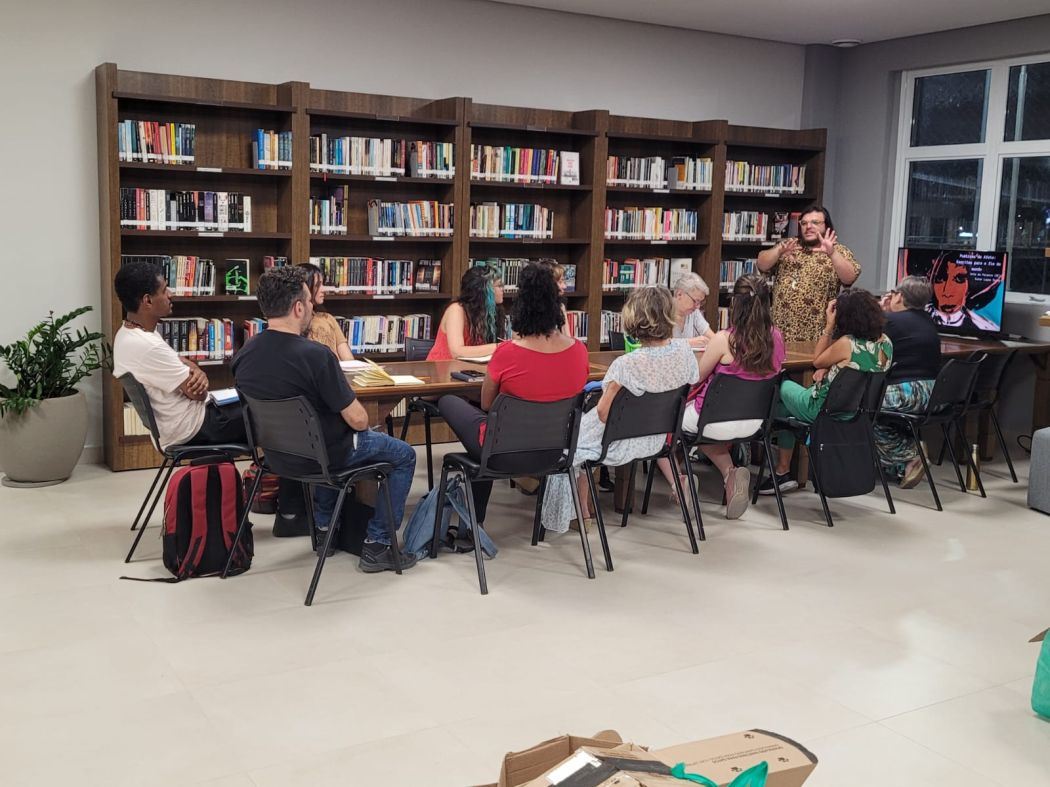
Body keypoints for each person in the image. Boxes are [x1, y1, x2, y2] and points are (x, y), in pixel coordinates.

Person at [231, 266, 418, 571]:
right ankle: (378, 544)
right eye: (309, 301)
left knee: (325, 440)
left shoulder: (244, 354)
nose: (313, 307)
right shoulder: (316, 355)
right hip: (327, 457)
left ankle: (324, 532)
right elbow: (358, 420)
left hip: (277, 457)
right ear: (298, 307)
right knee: (403, 455)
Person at [112, 260, 309, 536]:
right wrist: (196, 375)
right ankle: (291, 514)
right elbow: (198, 391)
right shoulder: (147, 347)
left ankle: (280, 500)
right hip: (196, 427)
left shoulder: (132, 334)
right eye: (165, 290)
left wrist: (194, 369)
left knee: (268, 411)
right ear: (147, 300)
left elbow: (182, 364)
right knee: (289, 420)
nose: (171, 295)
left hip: (185, 422)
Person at [437, 263, 589, 531]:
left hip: (502, 451)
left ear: (521, 308)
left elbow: (487, 403)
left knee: (449, 401)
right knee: (486, 429)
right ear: (559, 309)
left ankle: (472, 525)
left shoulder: (508, 353)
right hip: (555, 453)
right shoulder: (579, 351)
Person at [541, 286, 699, 532]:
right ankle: (581, 509)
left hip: (619, 443)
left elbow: (604, 414)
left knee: (570, 439)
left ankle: (580, 512)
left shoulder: (626, 364)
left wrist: (611, 390)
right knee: (583, 436)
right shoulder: (685, 352)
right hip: (656, 439)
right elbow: (690, 384)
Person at [657, 273, 785, 519]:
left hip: (713, 420)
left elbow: (695, 377)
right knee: (706, 429)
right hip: (754, 422)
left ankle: (679, 483)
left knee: (664, 421)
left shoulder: (724, 339)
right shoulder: (777, 338)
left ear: (735, 304)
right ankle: (730, 475)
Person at [759, 287, 893, 494]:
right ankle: (782, 471)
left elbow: (817, 360)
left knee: (780, 381)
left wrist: (829, 326)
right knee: (783, 411)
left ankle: (779, 468)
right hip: (857, 411)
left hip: (819, 408)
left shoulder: (847, 344)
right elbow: (857, 369)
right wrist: (830, 368)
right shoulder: (886, 343)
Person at [756, 206, 861, 342]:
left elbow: (849, 278)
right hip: (781, 333)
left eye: (815, 222)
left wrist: (832, 253)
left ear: (826, 226)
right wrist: (778, 251)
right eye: (804, 223)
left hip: (817, 335)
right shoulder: (790, 246)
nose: (808, 227)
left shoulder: (838, 250)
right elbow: (761, 264)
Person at [877, 276, 941, 488]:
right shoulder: (928, 321)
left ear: (900, 297)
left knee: (858, 407)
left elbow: (863, 343)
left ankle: (910, 452)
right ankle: (903, 467)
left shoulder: (891, 321)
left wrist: (880, 311)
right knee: (881, 413)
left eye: (893, 293)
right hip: (934, 394)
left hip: (907, 394)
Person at [426, 266, 506, 360]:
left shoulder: (490, 312)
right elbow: (457, 352)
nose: (503, 289)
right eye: (499, 285)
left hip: (470, 367)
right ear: (484, 290)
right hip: (443, 366)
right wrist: (500, 347)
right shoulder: (456, 310)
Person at [925, 253, 1000, 332]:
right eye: (940, 279)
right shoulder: (918, 318)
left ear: (970, 286)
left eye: (960, 279)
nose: (947, 293)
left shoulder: (985, 328)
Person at [298, 262, 354, 361]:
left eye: (322, 284)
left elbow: (348, 359)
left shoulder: (328, 318)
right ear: (306, 287)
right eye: (317, 285)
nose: (323, 289)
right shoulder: (295, 323)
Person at [671, 272, 715, 348]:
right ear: (679, 294)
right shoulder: (663, 311)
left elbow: (712, 338)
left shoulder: (693, 312)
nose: (698, 307)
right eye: (695, 301)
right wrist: (689, 343)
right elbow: (658, 344)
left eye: (700, 302)